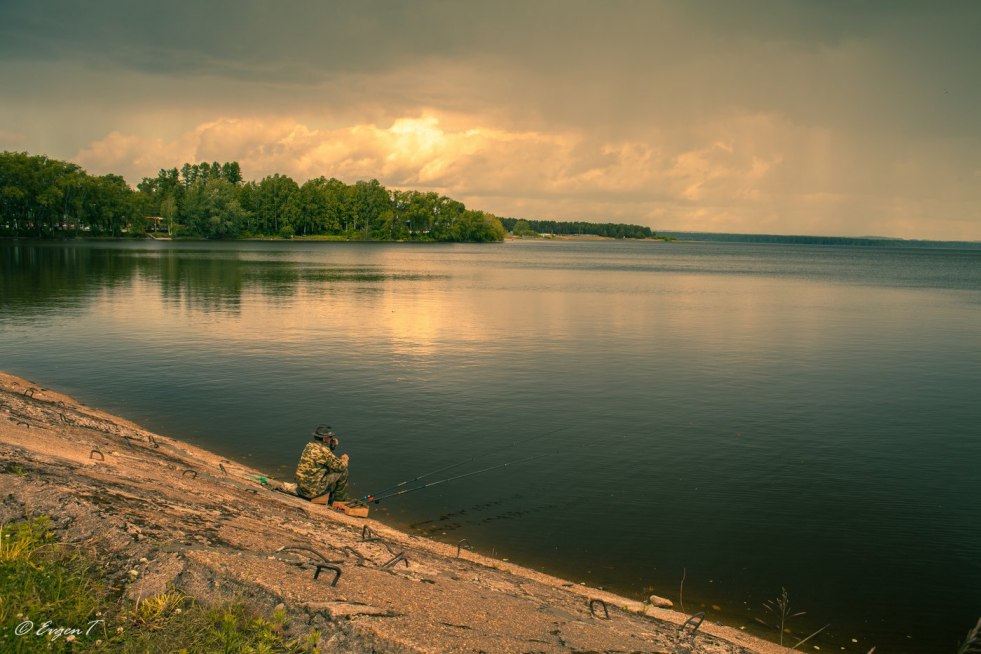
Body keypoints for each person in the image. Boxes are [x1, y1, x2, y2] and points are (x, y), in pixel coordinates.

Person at [294, 424, 350, 505]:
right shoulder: (324, 451)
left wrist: (332, 446)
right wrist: (344, 459)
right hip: (311, 492)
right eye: (330, 437)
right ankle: (339, 501)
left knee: (329, 469)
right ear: (324, 438)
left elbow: (326, 460)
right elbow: (341, 467)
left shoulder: (309, 445)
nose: (332, 439)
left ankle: (330, 495)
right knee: (344, 472)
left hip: (302, 488)